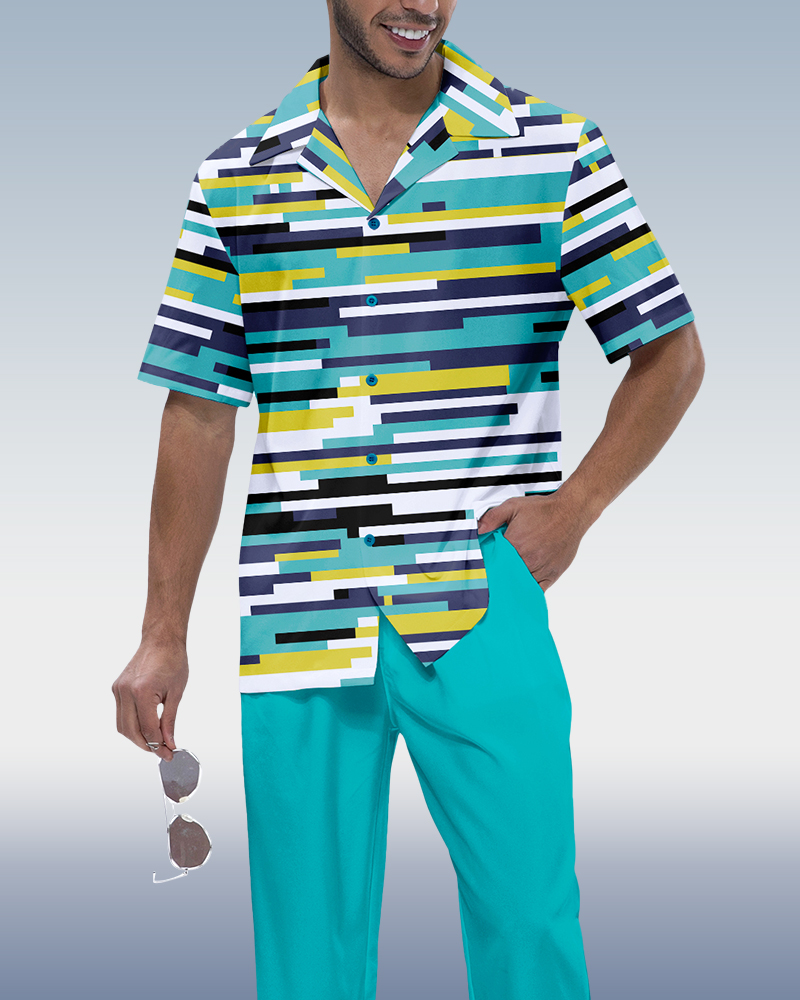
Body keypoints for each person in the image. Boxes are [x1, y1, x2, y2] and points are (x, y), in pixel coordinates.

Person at [112, 1, 705, 997]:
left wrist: (575, 508)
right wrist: (161, 631)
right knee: (306, 961)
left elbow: (670, 353)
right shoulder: (239, 172)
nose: (421, 5)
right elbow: (199, 411)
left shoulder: (553, 147)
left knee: (529, 929)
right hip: (299, 613)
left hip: (479, 595)